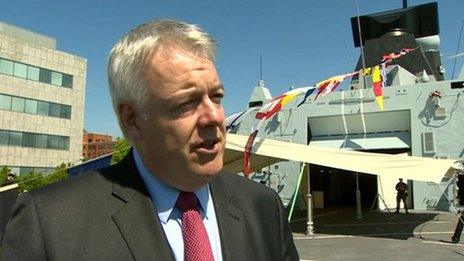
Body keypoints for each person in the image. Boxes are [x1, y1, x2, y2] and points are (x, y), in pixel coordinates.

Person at [1, 20, 299, 260]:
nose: (214, 117)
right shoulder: (50, 221)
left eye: (216, 97)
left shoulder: (262, 207)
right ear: (132, 120)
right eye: (186, 103)